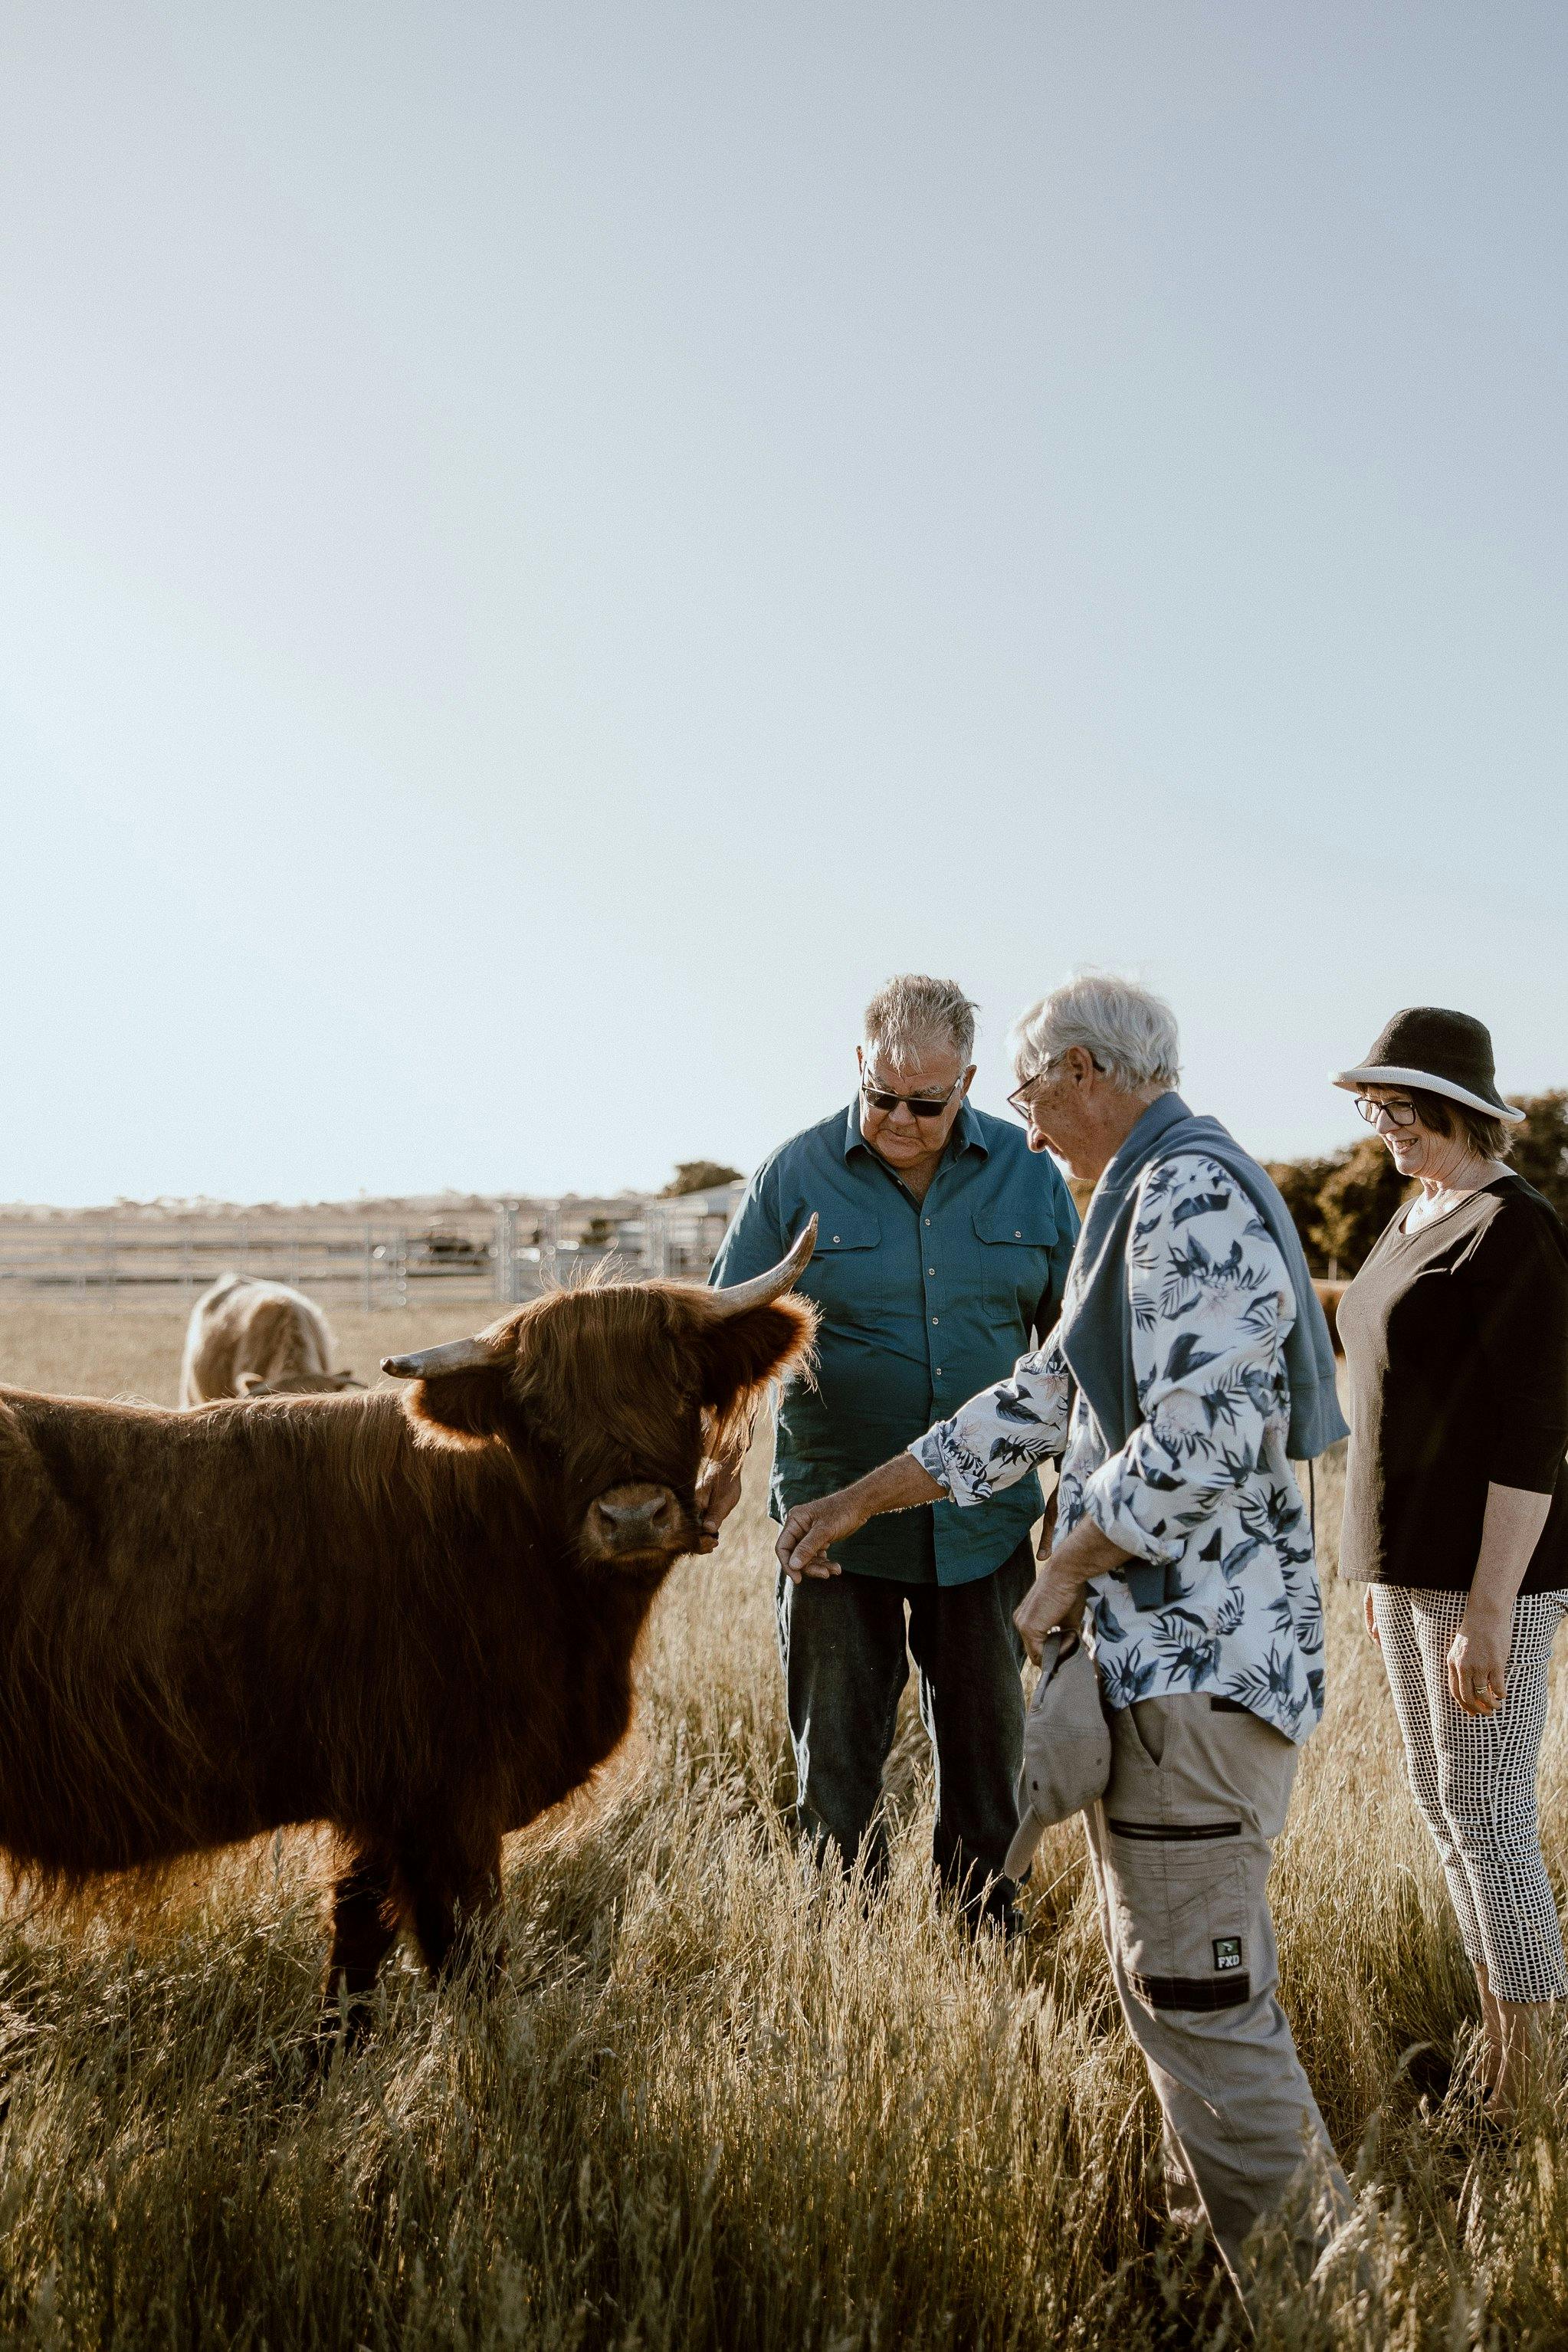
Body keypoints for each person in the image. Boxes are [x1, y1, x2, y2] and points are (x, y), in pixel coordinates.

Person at [777, 974, 1350, 2297]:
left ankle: (1337, 2305)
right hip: (1167, 1678)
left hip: (1194, 1676)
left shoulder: (1189, 1194)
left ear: (1088, 1068)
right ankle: (1244, 2275)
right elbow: (1042, 1397)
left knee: (1209, 2010)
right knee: (1174, 1995)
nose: (1022, 1125)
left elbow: (1210, 1433)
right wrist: (867, 1492)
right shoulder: (1138, 1203)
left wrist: (1068, 1563)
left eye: (1028, 1090)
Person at [710, 973, 1077, 1931]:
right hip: (835, 1530)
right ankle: (844, 1954)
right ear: (858, 1068)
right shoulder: (791, 1177)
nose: (901, 1119)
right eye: (882, 1097)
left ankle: (981, 1944)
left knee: (990, 1759)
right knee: (834, 1765)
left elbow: (1077, 1348)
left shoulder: (1030, 1176)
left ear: (967, 1084)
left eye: (927, 1102)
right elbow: (727, 1345)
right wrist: (716, 1463)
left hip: (985, 1527)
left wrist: (1075, 1503)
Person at [1333, 1006, 1568, 2116]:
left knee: (1486, 1810)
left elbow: (1533, 1434)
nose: (1382, 1127)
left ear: (1458, 1108)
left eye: (1398, 1108)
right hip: (1405, 1570)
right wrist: (1379, 1579)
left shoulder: (1513, 1229)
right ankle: (1490, 2047)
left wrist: (1485, 1606)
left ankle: (1525, 2087)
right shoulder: (1413, 1208)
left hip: (1493, 1578)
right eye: (1372, 1109)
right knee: (1439, 1803)